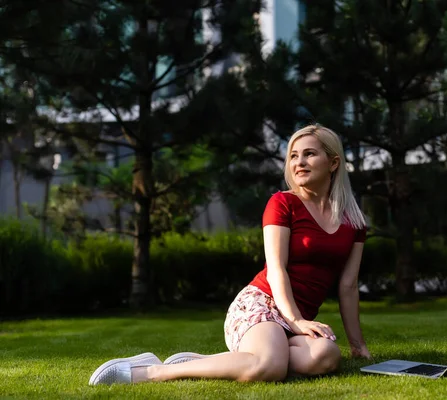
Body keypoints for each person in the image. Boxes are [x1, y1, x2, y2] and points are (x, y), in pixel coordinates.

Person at [89, 124, 372, 385]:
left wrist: (357, 345)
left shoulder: (354, 223)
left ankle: (208, 363)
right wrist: (296, 320)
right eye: (294, 156)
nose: (299, 162)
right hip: (262, 305)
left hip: (296, 320)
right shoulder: (283, 203)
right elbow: (276, 270)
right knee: (270, 367)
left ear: (333, 162)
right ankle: (150, 371)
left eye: (310, 154)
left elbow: (348, 285)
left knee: (326, 355)